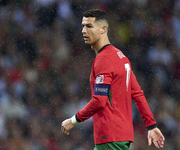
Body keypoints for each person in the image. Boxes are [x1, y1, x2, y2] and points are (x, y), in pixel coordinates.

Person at [61, 9, 165, 149]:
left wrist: (73, 120)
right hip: (120, 136)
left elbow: (99, 100)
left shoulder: (103, 59)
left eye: (89, 26)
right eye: (83, 26)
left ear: (103, 29)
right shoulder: (121, 57)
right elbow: (138, 94)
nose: (84, 31)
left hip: (109, 136)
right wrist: (151, 125)